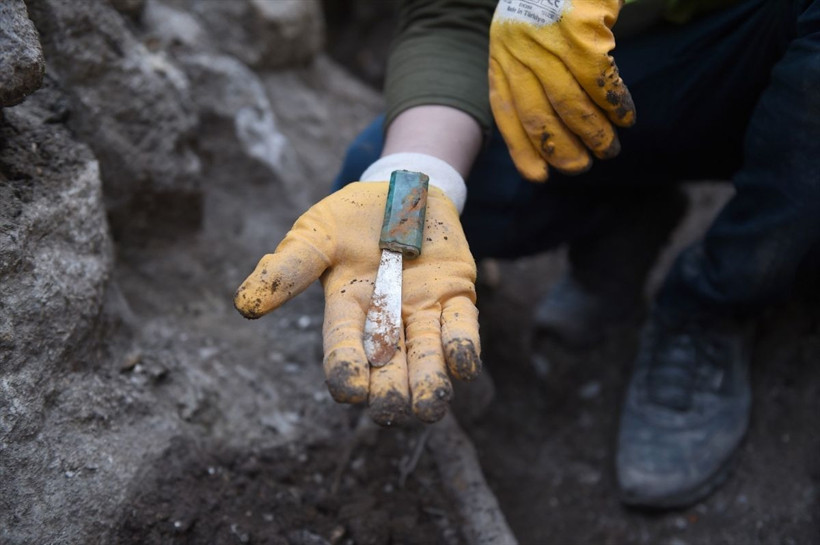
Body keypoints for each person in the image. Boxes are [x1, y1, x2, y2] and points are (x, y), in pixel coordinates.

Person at [235, 0, 820, 509]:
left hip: (774, 51)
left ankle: (715, 303)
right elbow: (451, 16)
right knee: (374, 176)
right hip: (639, 79)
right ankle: (627, 208)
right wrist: (415, 182)